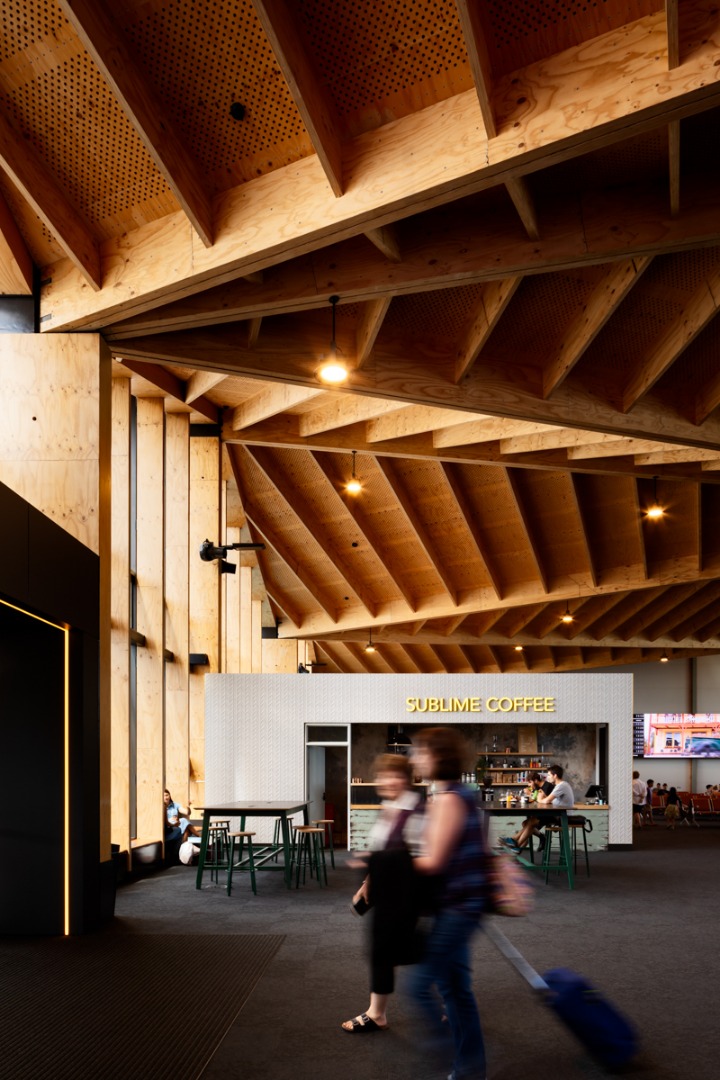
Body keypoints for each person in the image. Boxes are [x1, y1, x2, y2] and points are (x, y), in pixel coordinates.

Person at [407, 727, 487, 1080]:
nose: (414, 759)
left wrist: (384, 862)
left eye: (419, 752)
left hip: (457, 908)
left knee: (418, 987)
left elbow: (433, 861)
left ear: (437, 756)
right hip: (459, 905)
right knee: (455, 991)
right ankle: (471, 1068)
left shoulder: (450, 799)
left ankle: (445, 1059)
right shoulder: (458, 795)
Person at [341, 754, 425, 1034]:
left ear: (406, 779)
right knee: (386, 950)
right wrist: (369, 877)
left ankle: (451, 1005)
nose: (389, 781)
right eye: (385, 775)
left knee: (413, 950)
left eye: (396, 775)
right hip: (388, 892)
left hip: (407, 894)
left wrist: (375, 864)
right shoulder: (389, 806)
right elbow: (381, 850)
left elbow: (419, 856)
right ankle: (377, 1013)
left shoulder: (416, 810)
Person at [498, 771, 552, 852]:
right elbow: (533, 799)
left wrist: (530, 793)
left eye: (530, 783)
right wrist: (519, 798)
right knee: (525, 824)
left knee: (530, 824)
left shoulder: (547, 786)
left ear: (535, 780)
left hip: (552, 814)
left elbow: (542, 801)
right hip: (543, 813)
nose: (528, 785)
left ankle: (515, 844)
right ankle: (540, 837)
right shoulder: (538, 788)